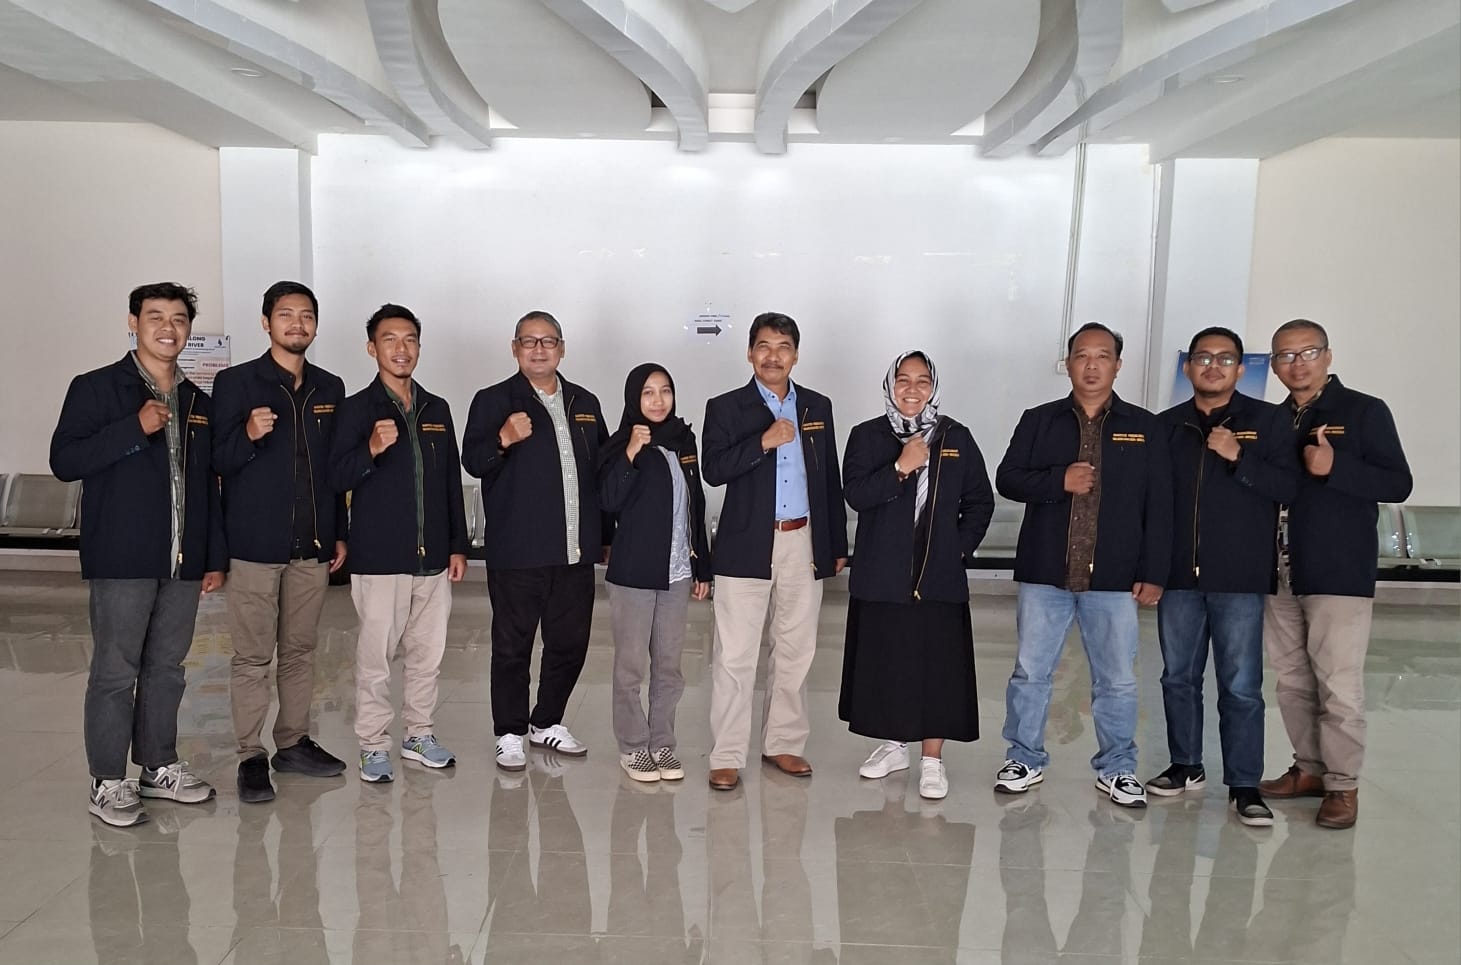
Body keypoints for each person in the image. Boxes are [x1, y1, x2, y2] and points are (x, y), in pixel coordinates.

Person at [51, 282, 226, 827]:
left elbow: (207, 485)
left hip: (182, 559)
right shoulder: (97, 388)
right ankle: (107, 780)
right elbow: (65, 461)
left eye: (178, 319)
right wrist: (134, 428)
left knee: (167, 668)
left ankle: (158, 766)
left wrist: (212, 556)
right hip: (122, 556)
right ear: (134, 322)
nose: (168, 328)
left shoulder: (198, 402)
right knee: (114, 670)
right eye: (155, 317)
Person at [993, 322, 1171, 809]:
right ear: (1068, 363)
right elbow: (1008, 479)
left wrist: (1154, 571)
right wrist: (1059, 480)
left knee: (1117, 678)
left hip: (1114, 576)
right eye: (1082, 356)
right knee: (1031, 672)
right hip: (1045, 573)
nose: (1092, 365)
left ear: (1118, 365)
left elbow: (1160, 505)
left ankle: (1118, 768)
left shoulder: (1146, 427)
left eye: (1102, 356)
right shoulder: (1039, 420)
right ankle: (1023, 758)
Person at [1259, 318, 1412, 829]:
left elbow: (1398, 483)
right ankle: (1309, 769)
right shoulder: (1273, 419)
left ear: (1327, 356)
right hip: (1279, 570)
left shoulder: (1364, 411)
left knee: (1338, 683)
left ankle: (1343, 786)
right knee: (1292, 680)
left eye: (1307, 352)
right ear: (1274, 365)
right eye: (1285, 355)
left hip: (1337, 570)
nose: (1296, 363)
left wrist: (1336, 468)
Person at [1148, 326, 1296, 826]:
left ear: (1240, 367)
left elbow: (1290, 487)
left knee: (1241, 685)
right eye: (1203, 357)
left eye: (1225, 358)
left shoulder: (1269, 422)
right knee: (1178, 677)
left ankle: (1245, 784)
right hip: (1178, 578)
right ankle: (1185, 764)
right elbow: (1154, 505)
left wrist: (1239, 458)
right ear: (1188, 366)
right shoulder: (1165, 426)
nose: (1213, 366)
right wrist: (1151, 570)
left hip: (1239, 577)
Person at [211, 280, 349, 804]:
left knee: (300, 651)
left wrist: (339, 532)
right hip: (254, 546)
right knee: (252, 656)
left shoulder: (329, 387)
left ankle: (292, 742)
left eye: (306, 315)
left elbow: (334, 470)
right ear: (266, 322)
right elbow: (218, 460)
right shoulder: (235, 383)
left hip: (311, 545)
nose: (297, 323)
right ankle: (251, 755)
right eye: (286, 314)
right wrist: (247, 434)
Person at [701, 311, 848, 791]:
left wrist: (835, 544)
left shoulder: (817, 406)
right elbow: (713, 470)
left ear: (796, 355)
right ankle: (726, 754)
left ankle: (783, 742)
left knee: (795, 649)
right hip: (746, 542)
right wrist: (763, 442)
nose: (773, 356)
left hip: (803, 541)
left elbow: (828, 476)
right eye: (764, 346)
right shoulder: (726, 407)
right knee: (734, 655)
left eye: (783, 347)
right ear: (749, 353)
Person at [838, 351, 994, 800]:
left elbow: (979, 501)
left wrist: (957, 548)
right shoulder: (867, 435)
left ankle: (931, 760)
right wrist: (900, 468)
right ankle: (894, 747)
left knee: (937, 669)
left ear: (933, 387)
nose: (912, 389)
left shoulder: (955, 436)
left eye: (922, 381)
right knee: (888, 662)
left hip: (938, 579)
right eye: (903, 380)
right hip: (882, 577)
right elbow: (856, 494)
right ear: (890, 386)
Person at [461, 311, 610, 770]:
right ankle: (509, 732)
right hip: (518, 552)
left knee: (569, 643)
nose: (539, 349)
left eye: (548, 341)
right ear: (515, 348)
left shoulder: (585, 402)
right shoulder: (493, 400)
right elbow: (473, 461)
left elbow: (602, 473)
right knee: (513, 647)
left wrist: (605, 536)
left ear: (562, 349)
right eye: (529, 341)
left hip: (574, 551)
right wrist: (503, 439)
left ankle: (546, 722)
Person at [331, 304, 468, 783]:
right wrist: (370, 448)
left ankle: (419, 734)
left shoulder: (436, 409)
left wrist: (457, 545)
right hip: (380, 558)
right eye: (389, 339)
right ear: (372, 348)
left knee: (427, 656)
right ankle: (372, 744)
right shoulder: (356, 409)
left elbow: (449, 482)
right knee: (376, 659)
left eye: (409, 339)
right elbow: (336, 477)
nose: (401, 348)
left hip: (433, 559)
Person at [597, 363, 712, 783]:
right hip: (634, 572)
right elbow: (607, 499)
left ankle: (662, 743)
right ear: (634, 398)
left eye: (665, 391)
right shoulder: (618, 444)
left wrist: (702, 566)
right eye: (648, 392)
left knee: (669, 666)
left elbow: (695, 503)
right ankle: (632, 746)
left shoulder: (683, 441)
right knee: (630, 667)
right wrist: (631, 451)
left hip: (677, 571)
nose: (658, 400)